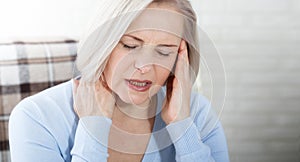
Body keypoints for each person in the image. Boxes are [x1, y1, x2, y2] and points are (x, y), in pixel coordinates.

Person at [9, 0, 229, 161]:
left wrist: (182, 129)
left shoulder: (197, 114)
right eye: (130, 45)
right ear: (102, 42)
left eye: (164, 52)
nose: (144, 66)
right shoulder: (36, 117)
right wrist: (93, 129)